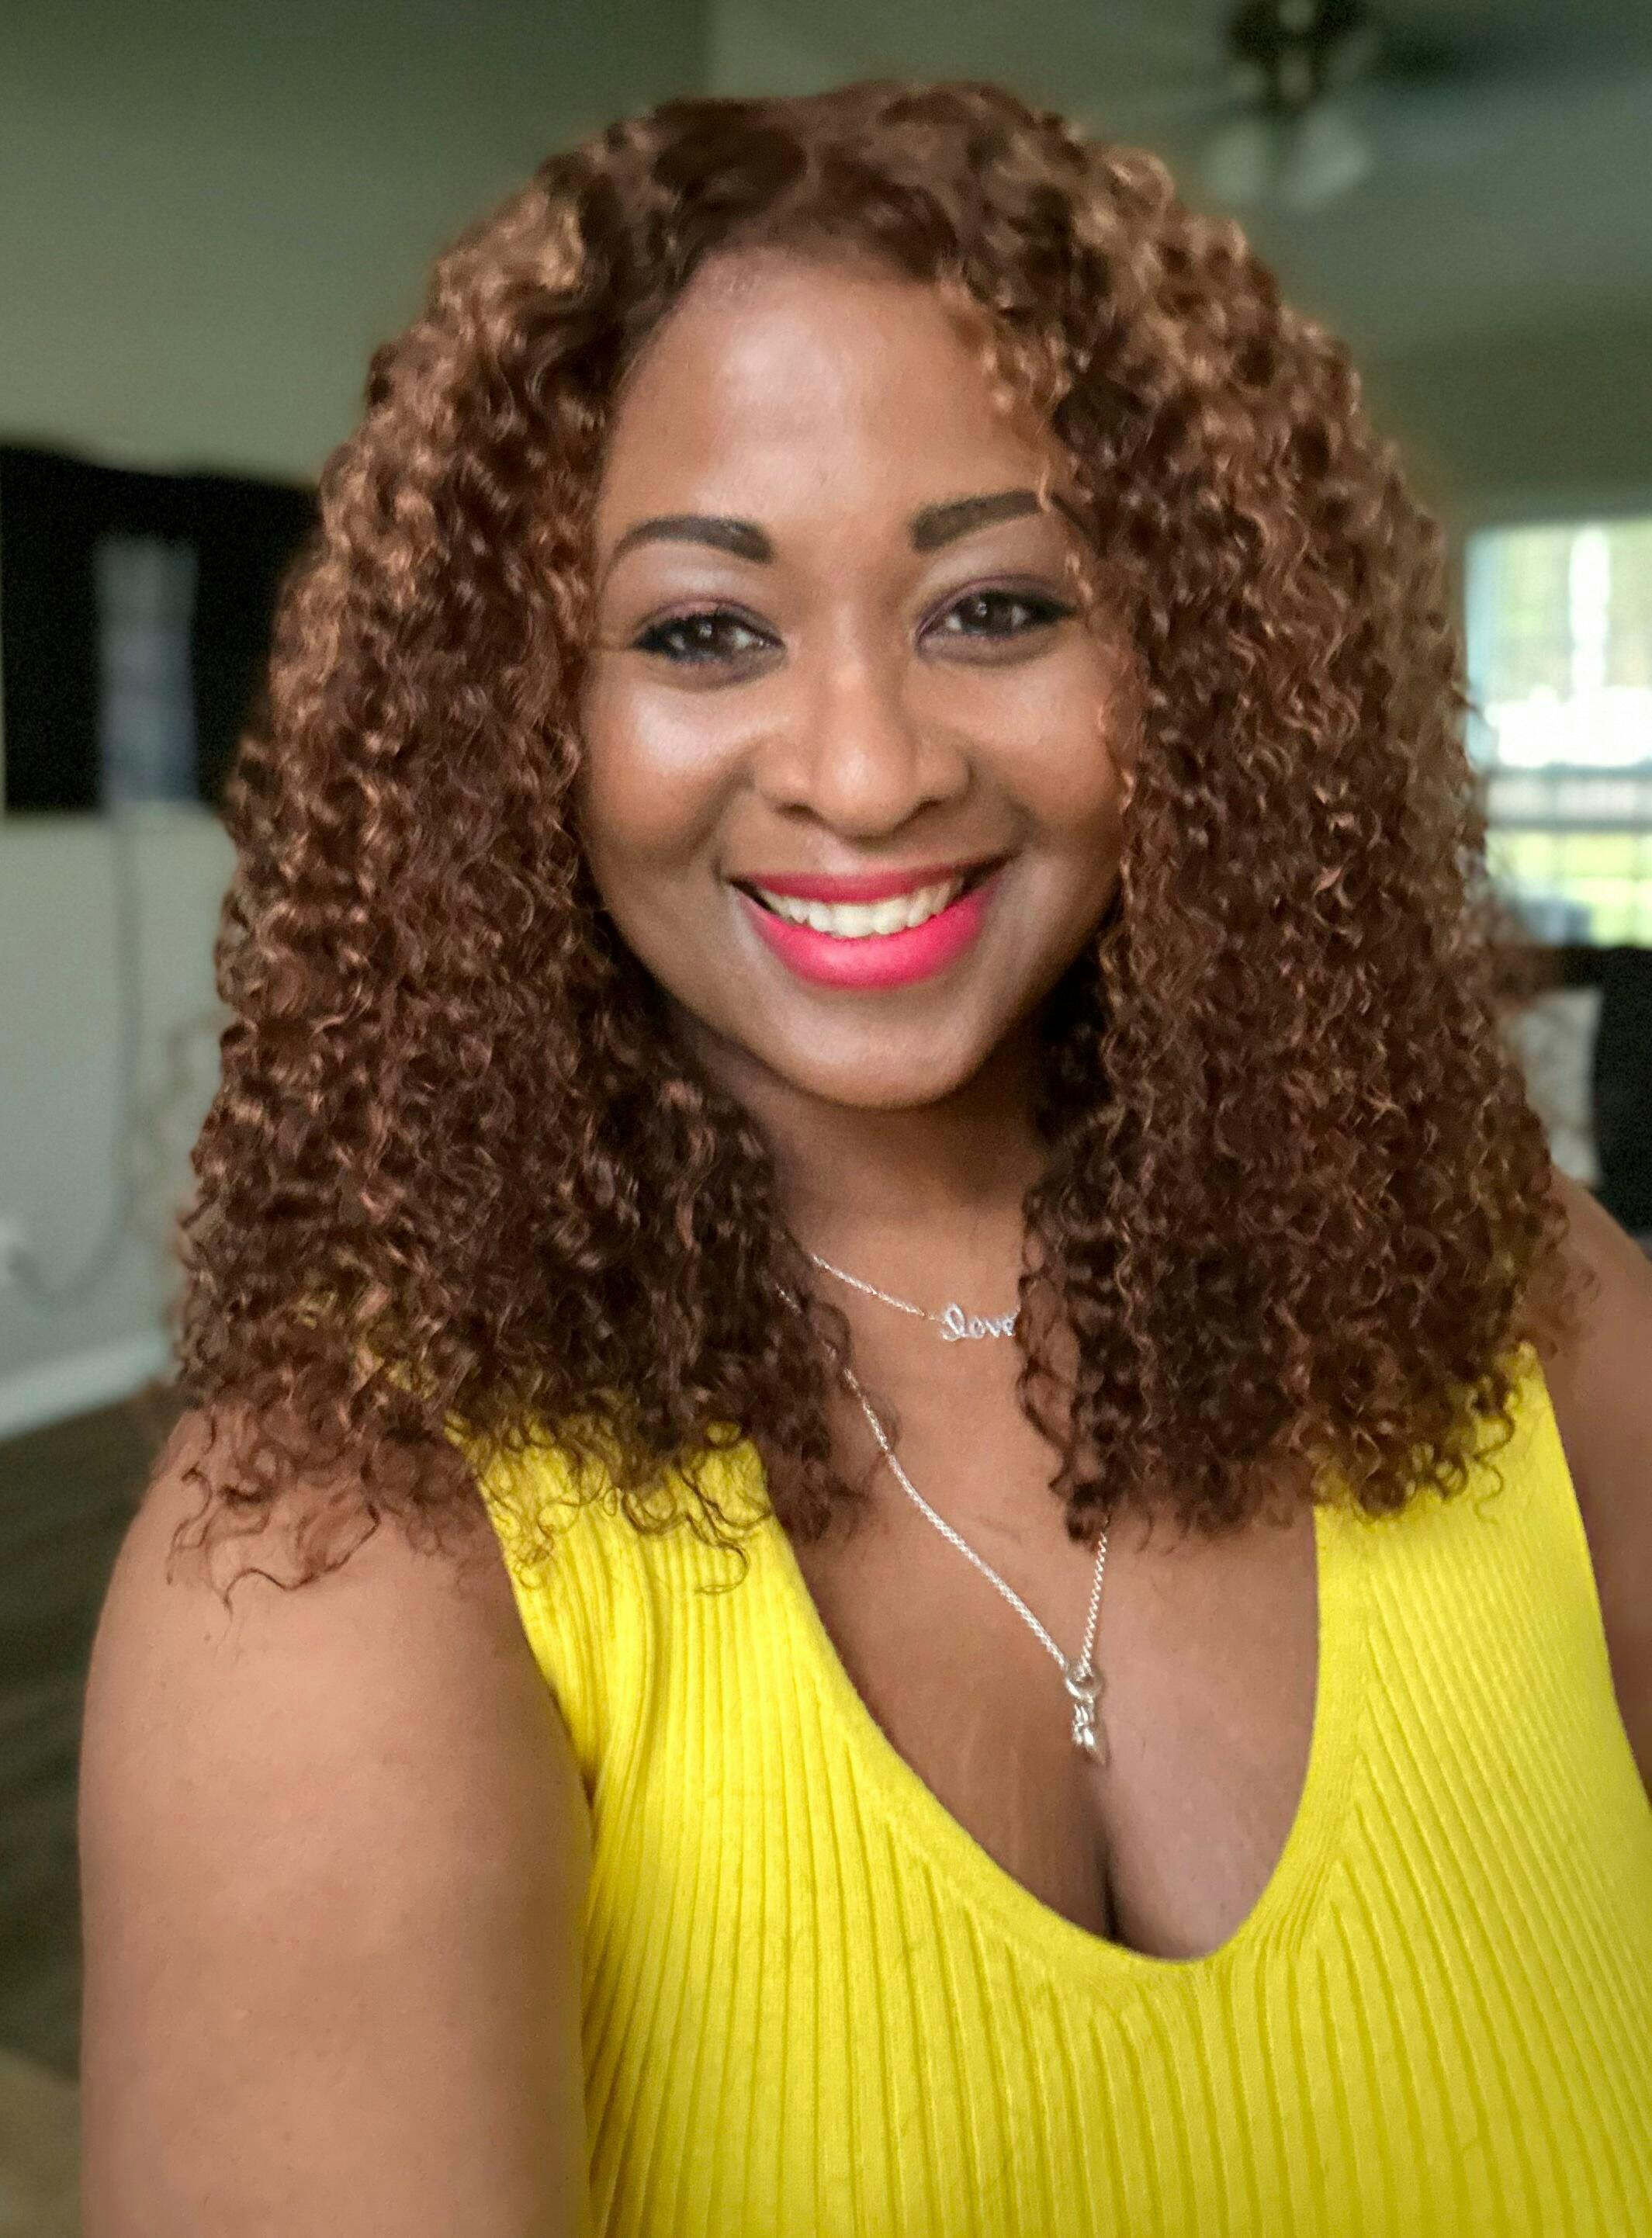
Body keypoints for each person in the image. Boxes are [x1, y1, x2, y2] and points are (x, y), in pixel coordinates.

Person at [78, 78, 1650, 2238]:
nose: (867, 768)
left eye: (994, 607)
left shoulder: (1519, 1299)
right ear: (515, 716)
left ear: (1197, 663)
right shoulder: (346, 1552)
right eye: (701, 630)